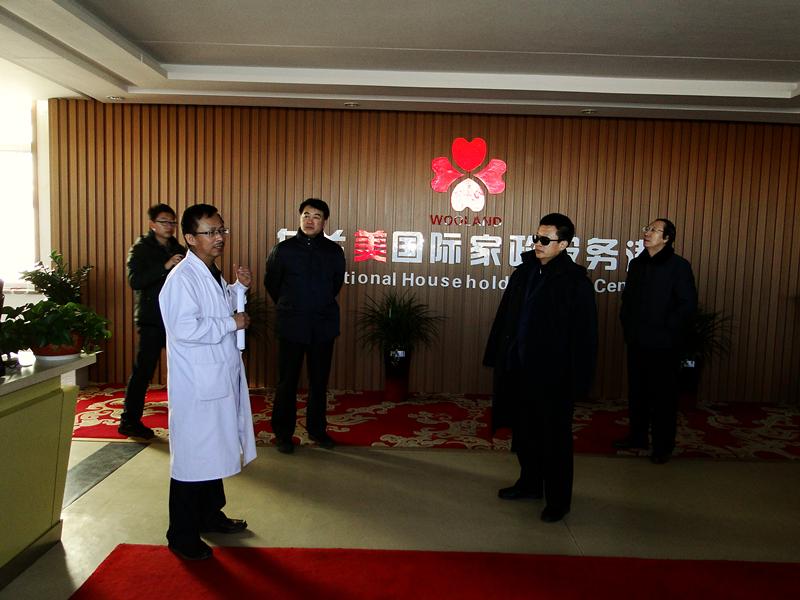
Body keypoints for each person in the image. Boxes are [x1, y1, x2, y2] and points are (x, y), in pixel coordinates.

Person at [483, 213, 598, 523]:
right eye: (536, 237)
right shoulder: (524, 272)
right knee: (523, 430)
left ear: (563, 244)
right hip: (518, 368)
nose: (538, 243)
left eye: (545, 240)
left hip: (554, 376)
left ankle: (559, 501)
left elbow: (585, 336)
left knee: (554, 439)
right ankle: (530, 484)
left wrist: (579, 381)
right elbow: (505, 316)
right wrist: (497, 356)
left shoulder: (575, 282)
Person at [159, 203, 257, 561]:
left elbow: (217, 305)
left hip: (217, 375)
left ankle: (210, 515)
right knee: (194, 455)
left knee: (214, 447)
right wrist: (232, 323)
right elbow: (185, 328)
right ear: (189, 237)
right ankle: (182, 534)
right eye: (210, 232)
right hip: (197, 383)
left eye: (221, 230)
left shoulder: (209, 272)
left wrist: (238, 288)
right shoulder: (181, 278)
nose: (219, 238)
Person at [264, 198, 346, 454]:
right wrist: (291, 306)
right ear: (300, 218)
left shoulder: (334, 252)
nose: (310, 220)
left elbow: (336, 285)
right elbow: (272, 284)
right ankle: (283, 434)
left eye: (316, 216)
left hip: (323, 324)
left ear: (324, 222)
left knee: (318, 381)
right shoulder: (284, 250)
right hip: (292, 324)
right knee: (286, 381)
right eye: (306, 215)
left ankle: (317, 430)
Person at [613, 218, 697, 464]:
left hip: (665, 343)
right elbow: (628, 298)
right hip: (637, 338)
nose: (647, 233)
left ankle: (663, 446)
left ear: (667, 238)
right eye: (647, 229)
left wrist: (666, 325)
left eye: (654, 230)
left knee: (663, 396)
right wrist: (627, 320)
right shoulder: (637, 263)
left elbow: (687, 303)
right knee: (637, 392)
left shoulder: (679, 265)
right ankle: (637, 436)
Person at [118, 204, 186, 439]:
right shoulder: (140, 249)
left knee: (183, 368)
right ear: (152, 224)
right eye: (164, 222)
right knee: (143, 371)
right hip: (151, 318)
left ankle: (186, 416)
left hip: (175, 317)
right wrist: (165, 267)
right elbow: (135, 280)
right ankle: (129, 421)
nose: (169, 226)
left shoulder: (178, 248)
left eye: (172, 222)